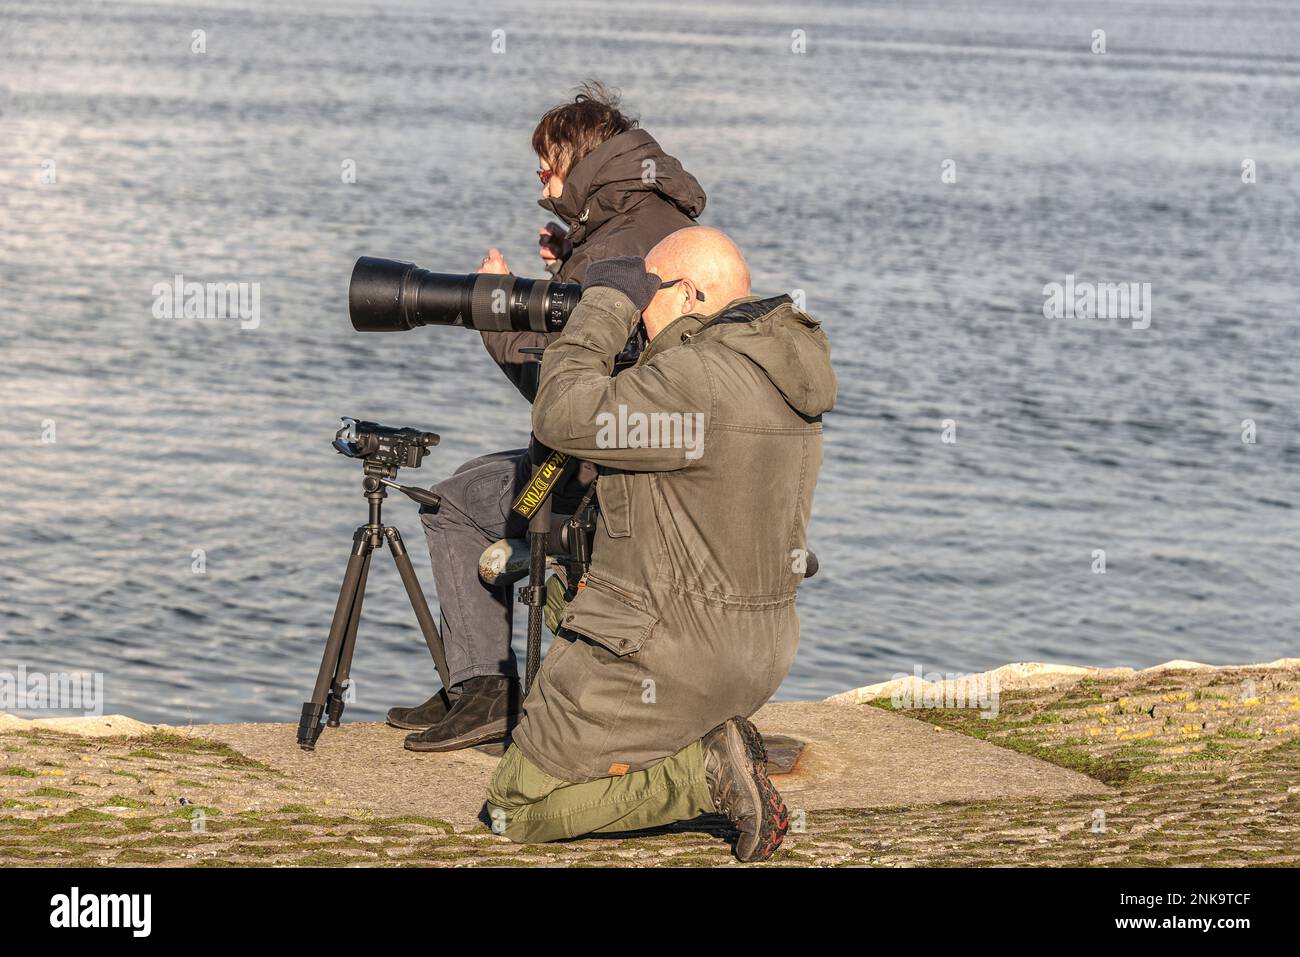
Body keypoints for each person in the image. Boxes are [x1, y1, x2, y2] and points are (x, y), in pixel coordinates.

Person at [484, 227, 837, 862]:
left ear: (690, 293)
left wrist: (603, 304)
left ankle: (699, 773)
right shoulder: (788, 380)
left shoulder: (693, 379)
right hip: (758, 654)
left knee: (515, 807)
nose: (640, 317)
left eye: (648, 294)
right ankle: (698, 745)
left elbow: (562, 413)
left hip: (670, 655)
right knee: (571, 591)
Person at [387, 82, 707, 752]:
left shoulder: (610, 245)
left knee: (452, 504)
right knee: (480, 486)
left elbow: (559, 396)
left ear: (577, 158)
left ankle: (484, 691)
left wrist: (491, 311)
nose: (538, 170)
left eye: (546, 157)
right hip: (667, 461)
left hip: (596, 476)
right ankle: (478, 686)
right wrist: (567, 266)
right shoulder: (659, 222)